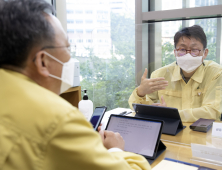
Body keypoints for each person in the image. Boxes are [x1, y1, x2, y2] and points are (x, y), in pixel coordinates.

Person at [0, 0, 151, 169]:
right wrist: (116, 150)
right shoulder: (58, 119)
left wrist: (80, 137)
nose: (70, 60)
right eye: (67, 49)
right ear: (43, 61)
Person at [129, 25, 222, 122]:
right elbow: (138, 109)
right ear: (175, 52)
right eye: (182, 49)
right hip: (168, 134)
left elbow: (211, 112)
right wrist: (140, 93)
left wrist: (169, 114)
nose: (188, 54)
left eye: (194, 50)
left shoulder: (216, 73)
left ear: (205, 53)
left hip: (202, 135)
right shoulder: (160, 75)